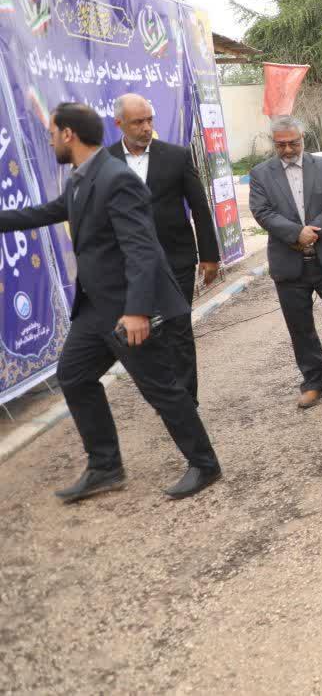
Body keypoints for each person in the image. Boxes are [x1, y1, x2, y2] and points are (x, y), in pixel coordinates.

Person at [0, 103, 221, 501]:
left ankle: (205, 464)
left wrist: (137, 311)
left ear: (68, 135)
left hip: (126, 310)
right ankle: (105, 467)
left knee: (161, 388)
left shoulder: (116, 179)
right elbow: (49, 212)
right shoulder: (83, 177)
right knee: (74, 375)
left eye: (52, 134)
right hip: (95, 308)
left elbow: (142, 249)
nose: (50, 142)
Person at [107, 93, 220, 403]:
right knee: (143, 334)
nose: (146, 128)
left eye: (149, 120)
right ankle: (164, 394)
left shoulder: (176, 156)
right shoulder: (105, 162)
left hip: (176, 259)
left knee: (178, 328)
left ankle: (186, 402)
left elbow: (199, 207)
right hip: (129, 266)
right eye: (137, 122)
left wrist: (210, 256)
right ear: (119, 124)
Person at [249, 115, 322, 408]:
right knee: (300, 326)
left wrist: (313, 231)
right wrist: (296, 233)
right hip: (289, 261)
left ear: (302, 139)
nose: (287, 150)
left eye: (293, 143)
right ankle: (312, 382)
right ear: (274, 143)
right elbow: (262, 211)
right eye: (281, 145)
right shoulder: (261, 174)